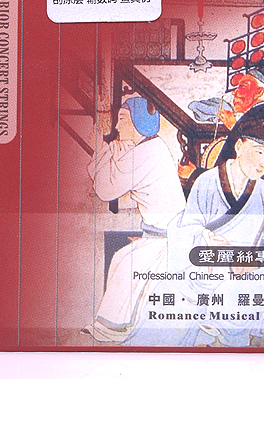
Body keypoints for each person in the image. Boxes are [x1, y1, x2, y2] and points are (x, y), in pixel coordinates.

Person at [167, 115, 264, 346]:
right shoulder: (207, 182)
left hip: (244, 266)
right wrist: (206, 239)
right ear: (239, 146)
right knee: (232, 293)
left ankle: (232, 339)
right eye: (259, 152)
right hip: (210, 265)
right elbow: (186, 229)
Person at [84, 96, 186, 344]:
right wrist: (110, 153)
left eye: (123, 119)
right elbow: (117, 170)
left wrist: (102, 150)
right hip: (160, 232)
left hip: (168, 237)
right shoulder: (149, 148)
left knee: (127, 263)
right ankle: (110, 324)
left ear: (139, 123)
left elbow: (106, 189)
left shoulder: (147, 153)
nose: (117, 126)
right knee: (122, 258)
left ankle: (114, 328)